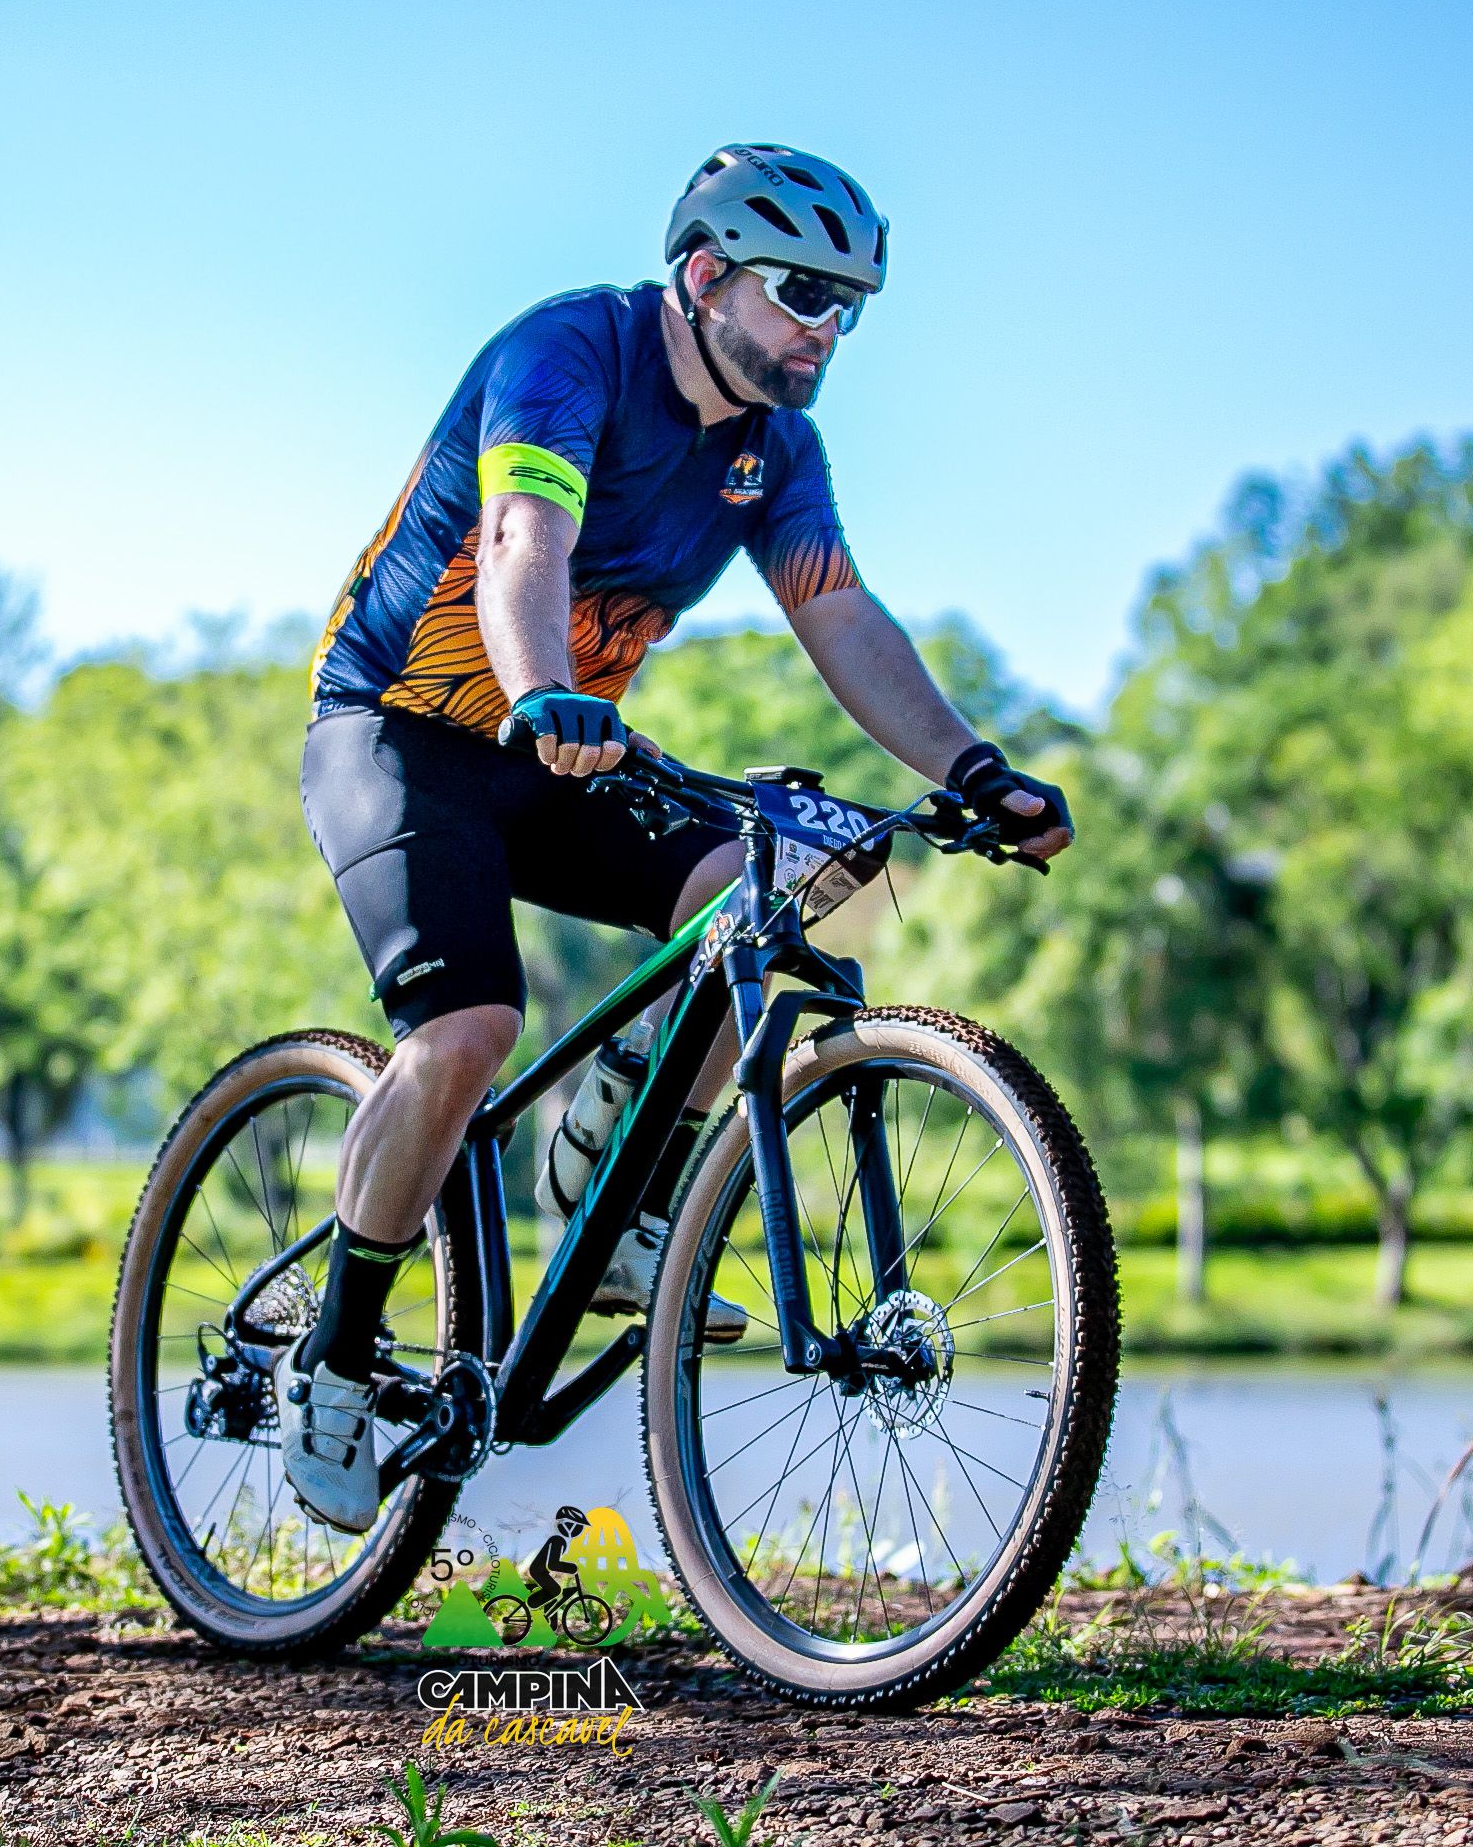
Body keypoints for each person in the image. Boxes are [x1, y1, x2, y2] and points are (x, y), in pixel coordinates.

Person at [279, 145, 1072, 1531]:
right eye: (803, 294)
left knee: (769, 890)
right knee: (466, 1032)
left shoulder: (779, 452)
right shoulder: (569, 352)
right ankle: (335, 1358)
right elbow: (524, 537)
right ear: (705, 275)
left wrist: (970, 767)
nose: (827, 330)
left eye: (850, 307)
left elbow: (839, 612)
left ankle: (617, 1191)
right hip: (403, 728)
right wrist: (541, 689)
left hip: (567, 745)